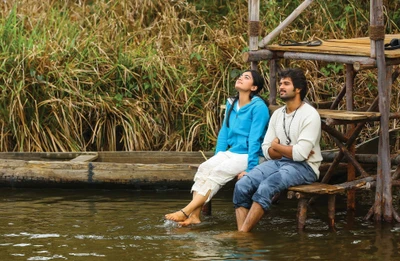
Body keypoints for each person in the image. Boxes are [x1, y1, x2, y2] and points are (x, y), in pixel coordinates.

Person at [165, 69, 270, 226]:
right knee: (204, 168)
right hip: (233, 152)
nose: (241, 78)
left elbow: (255, 140)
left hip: (251, 155)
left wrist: (251, 169)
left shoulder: (259, 107)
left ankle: (185, 211)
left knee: (217, 172)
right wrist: (217, 157)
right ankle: (195, 216)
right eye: (241, 75)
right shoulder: (232, 103)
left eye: (246, 77)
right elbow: (224, 132)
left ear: (254, 87)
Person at [233, 67, 323, 232]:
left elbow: (300, 155)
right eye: (280, 83)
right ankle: (243, 232)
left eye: (286, 84)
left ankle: (242, 236)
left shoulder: (310, 115)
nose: (281, 87)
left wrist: (277, 146)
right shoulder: (277, 114)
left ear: (298, 89)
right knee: (242, 185)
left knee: (267, 186)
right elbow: (266, 150)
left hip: (306, 167)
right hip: (279, 162)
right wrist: (287, 150)